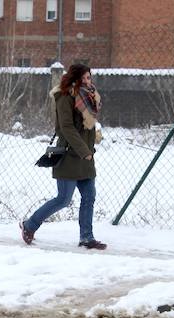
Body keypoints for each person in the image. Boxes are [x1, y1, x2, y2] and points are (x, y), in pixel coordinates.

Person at [20, 63, 107, 250]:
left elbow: (88, 124)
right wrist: (84, 150)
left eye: (88, 77)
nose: (86, 81)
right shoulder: (65, 97)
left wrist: (94, 135)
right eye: (82, 78)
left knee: (89, 196)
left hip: (86, 156)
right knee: (63, 199)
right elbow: (65, 127)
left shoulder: (89, 97)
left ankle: (86, 237)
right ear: (74, 79)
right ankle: (29, 225)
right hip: (70, 154)